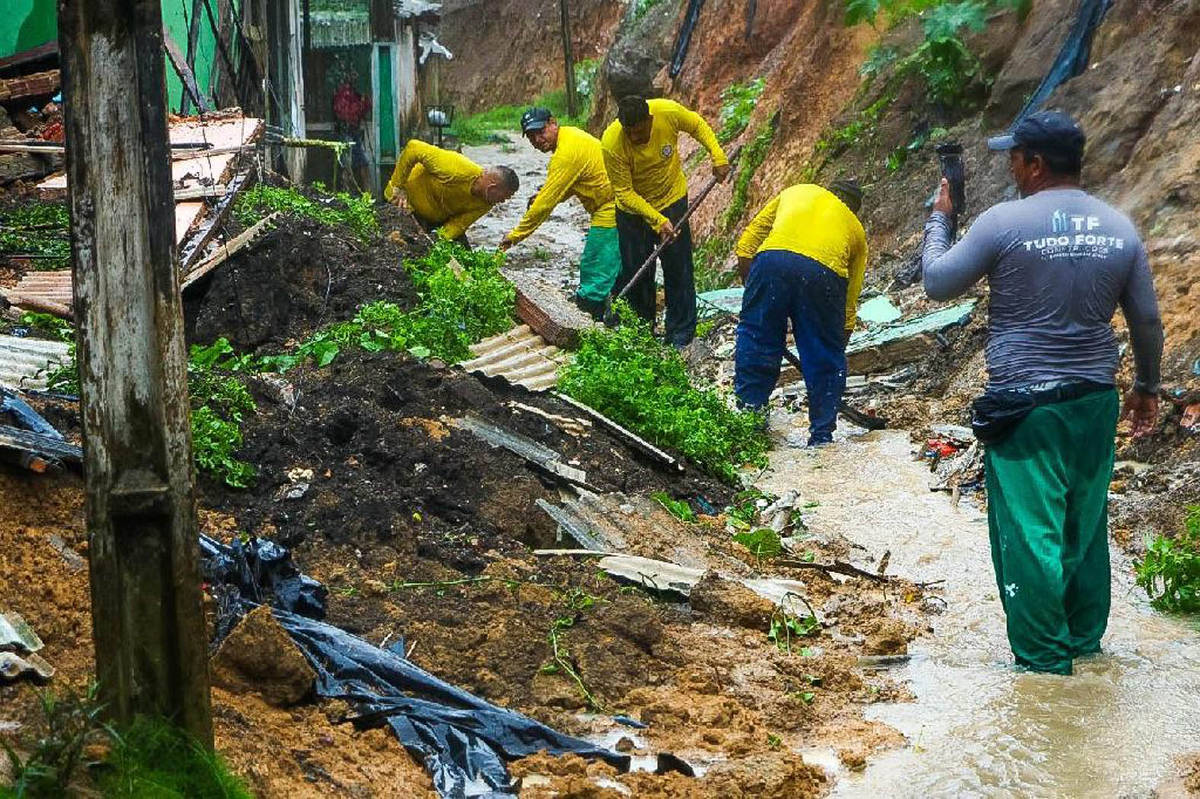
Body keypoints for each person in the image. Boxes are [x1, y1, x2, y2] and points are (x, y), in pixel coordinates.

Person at [922, 110, 1163, 675]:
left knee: (1031, 533)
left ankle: (1045, 673)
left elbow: (936, 282)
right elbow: (1147, 322)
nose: (1010, 165)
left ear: (1032, 164)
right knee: (1084, 524)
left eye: (1014, 156)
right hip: (1094, 400)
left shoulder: (1004, 223)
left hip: (1026, 406)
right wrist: (1147, 387)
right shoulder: (1120, 228)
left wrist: (940, 220)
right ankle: (1084, 646)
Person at [732, 180, 867, 445]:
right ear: (853, 209)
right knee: (823, 356)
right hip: (823, 275)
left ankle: (750, 419)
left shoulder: (796, 191)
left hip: (772, 261)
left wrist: (756, 299)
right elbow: (849, 307)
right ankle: (821, 437)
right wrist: (832, 351)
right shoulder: (856, 230)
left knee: (757, 339)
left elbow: (745, 247)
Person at [600, 96, 729, 347]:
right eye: (630, 133)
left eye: (640, 131)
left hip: (672, 199)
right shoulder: (612, 143)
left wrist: (717, 154)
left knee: (678, 269)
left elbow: (697, 125)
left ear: (650, 120)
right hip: (633, 213)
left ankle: (680, 336)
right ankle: (640, 333)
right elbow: (624, 192)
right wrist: (657, 221)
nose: (636, 138)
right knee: (637, 271)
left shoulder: (667, 112)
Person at [499, 108, 620, 320]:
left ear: (553, 123)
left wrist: (515, 236)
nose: (537, 139)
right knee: (612, 264)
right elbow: (569, 184)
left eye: (540, 131)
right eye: (531, 136)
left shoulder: (565, 154)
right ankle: (615, 314)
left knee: (595, 265)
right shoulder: (570, 136)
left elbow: (543, 207)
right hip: (613, 203)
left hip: (613, 207)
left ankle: (587, 319)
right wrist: (545, 195)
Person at [384, 139, 518, 245]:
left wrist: (435, 240)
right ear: (492, 188)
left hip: (433, 221)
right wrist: (398, 187)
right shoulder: (457, 168)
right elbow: (414, 148)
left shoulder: (486, 203)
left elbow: (459, 224)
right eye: (504, 197)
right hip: (403, 204)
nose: (503, 202)